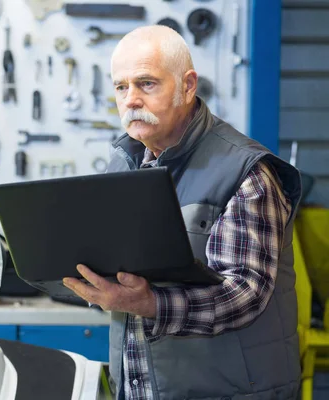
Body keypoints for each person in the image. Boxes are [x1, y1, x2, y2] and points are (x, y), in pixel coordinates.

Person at [62, 25, 303, 400]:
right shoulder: (123, 164)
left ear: (188, 86)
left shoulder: (244, 171)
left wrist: (149, 303)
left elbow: (244, 293)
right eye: (121, 87)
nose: (131, 100)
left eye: (147, 84)